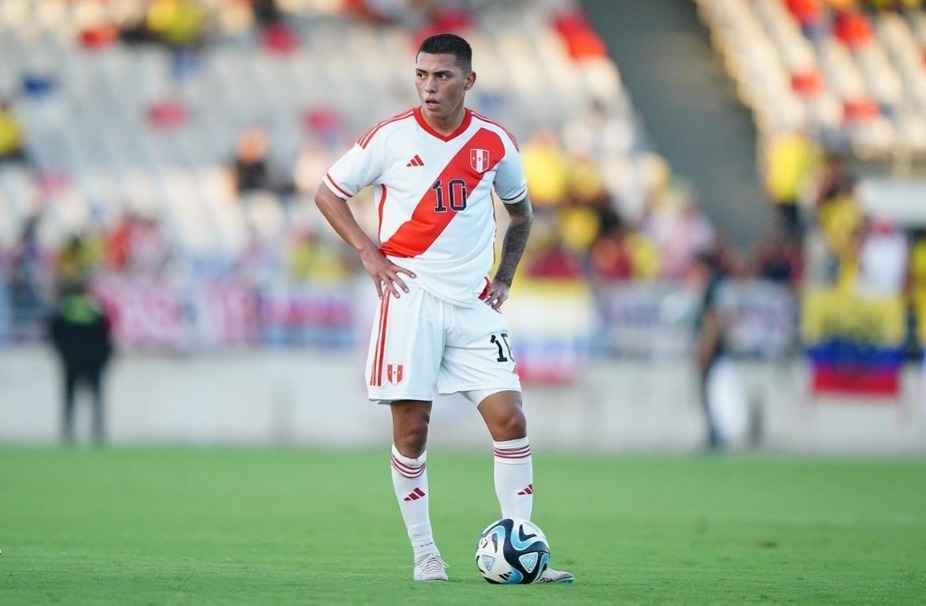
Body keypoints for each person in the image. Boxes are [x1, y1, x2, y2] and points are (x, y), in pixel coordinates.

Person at [314, 33, 574, 584]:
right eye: (423, 75)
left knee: (511, 419)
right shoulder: (389, 138)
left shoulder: (496, 143)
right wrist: (368, 253)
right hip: (411, 300)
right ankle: (425, 553)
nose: (430, 87)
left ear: (468, 81)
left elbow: (523, 215)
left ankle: (521, 543)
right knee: (412, 431)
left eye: (443, 76)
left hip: (475, 306)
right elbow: (328, 193)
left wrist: (504, 275)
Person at [48, 280, 114, 445]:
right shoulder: (94, 310)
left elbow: (54, 334)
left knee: (70, 397)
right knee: (97, 398)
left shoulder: (66, 309)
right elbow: (107, 337)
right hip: (93, 362)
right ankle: (97, 432)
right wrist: (102, 360)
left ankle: (68, 432)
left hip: (71, 360)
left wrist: (64, 355)